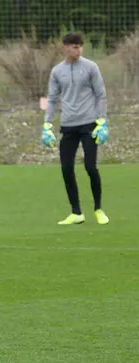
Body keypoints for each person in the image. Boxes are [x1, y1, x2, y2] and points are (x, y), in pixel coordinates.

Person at [41, 32, 109, 225]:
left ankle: (98, 209)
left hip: (89, 124)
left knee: (90, 166)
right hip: (68, 125)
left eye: (80, 46)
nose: (78, 50)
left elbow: (100, 95)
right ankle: (76, 212)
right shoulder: (57, 71)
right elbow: (52, 99)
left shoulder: (91, 67)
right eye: (74, 47)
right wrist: (47, 124)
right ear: (65, 48)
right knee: (66, 168)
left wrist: (102, 121)